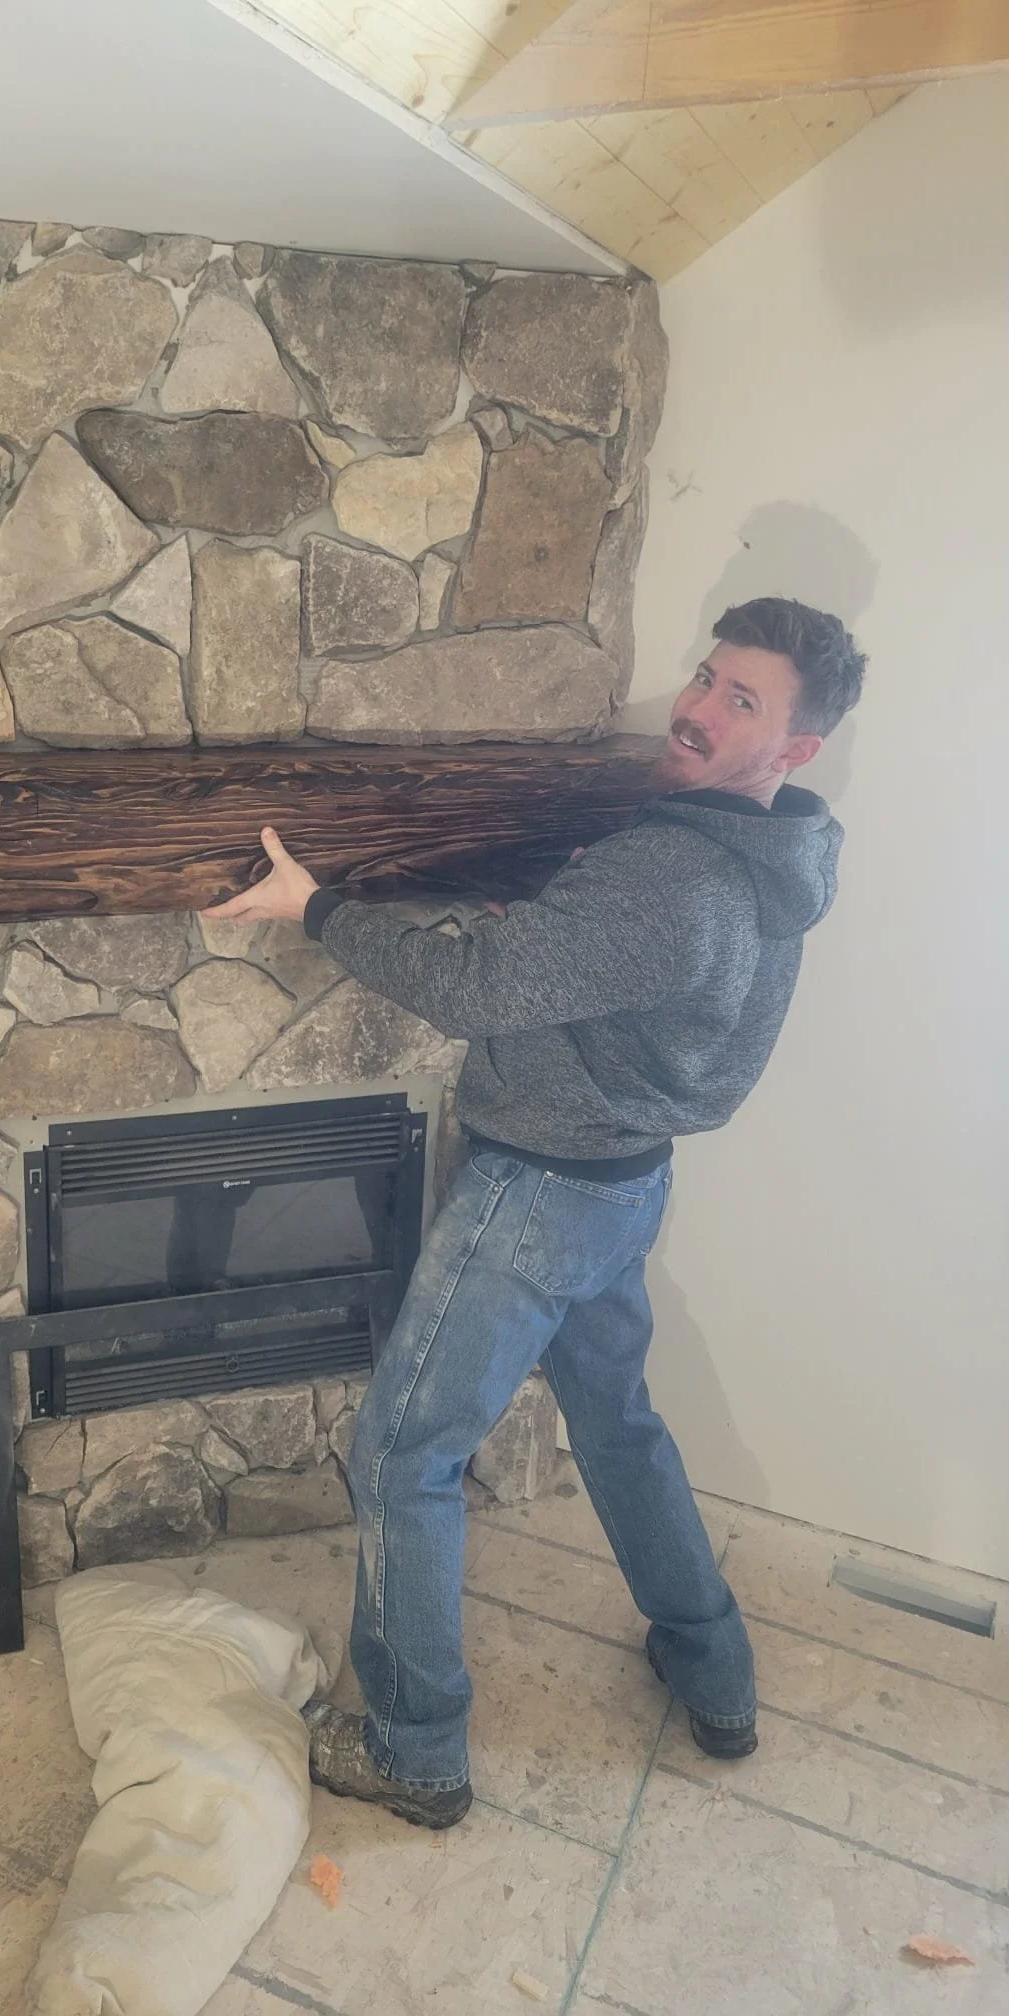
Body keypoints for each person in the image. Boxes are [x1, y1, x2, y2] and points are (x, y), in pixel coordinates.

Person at [200, 595, 866, 1830]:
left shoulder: (671, 875)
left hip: (536, 1194)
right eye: (709, 678)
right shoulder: (780, 861)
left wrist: (317, 906)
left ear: (799, 746)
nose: (699, 709)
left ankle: (415, 1752)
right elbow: (619, 979)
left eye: (744, 701)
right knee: (617, 1429)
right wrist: (556, 955)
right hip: (622, 1184)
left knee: (404, 1452)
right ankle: (714, 1674)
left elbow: (471, 987)